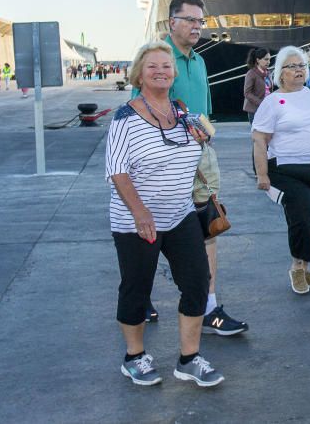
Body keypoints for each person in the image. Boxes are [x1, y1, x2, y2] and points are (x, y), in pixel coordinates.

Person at [107, 41, 224, 388]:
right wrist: (140, 211)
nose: (161, 71)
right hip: (136, 220)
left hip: (180, 214)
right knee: (137, 288)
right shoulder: (125, 118)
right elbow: (117, 170)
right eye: (152, 66)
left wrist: (203, 138)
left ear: (174, 74)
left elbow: (196, 155)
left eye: (166, 66)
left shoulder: (183, 113)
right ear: (139, 75)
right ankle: (134, 357)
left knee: (197, 282)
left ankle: (189, 359)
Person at [134, 0, 248, 335]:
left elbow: (203, 112)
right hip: (162, 160)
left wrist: (204, 134)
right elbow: (138, 111)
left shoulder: (198, 60)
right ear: (172, 22)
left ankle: (210, 307)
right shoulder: (156, 60)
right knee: (151, 231)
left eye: (201, 21)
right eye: (191, 21)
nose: (198, 27)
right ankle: (139, 297)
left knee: (208, 227)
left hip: (200, 157)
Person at [252, 46, 310, 294]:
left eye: (301, 66)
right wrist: (262, 175)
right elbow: (259, 140)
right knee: (304, 216)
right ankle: (296, 268)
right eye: (292, 66)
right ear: (280, 73)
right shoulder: (273, 101)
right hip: (288, 171)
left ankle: (306, 266)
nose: (299, 70)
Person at [242, 48, 272, 123]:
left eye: (269, 59)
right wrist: (261, 103)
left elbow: (268, 91)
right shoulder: (251, 73)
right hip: (255, 111)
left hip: (267, 109)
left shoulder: (268, 73)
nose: (268, 62)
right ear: (258, 60)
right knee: (258, 134)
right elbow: (247, 93)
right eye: (266, 59)